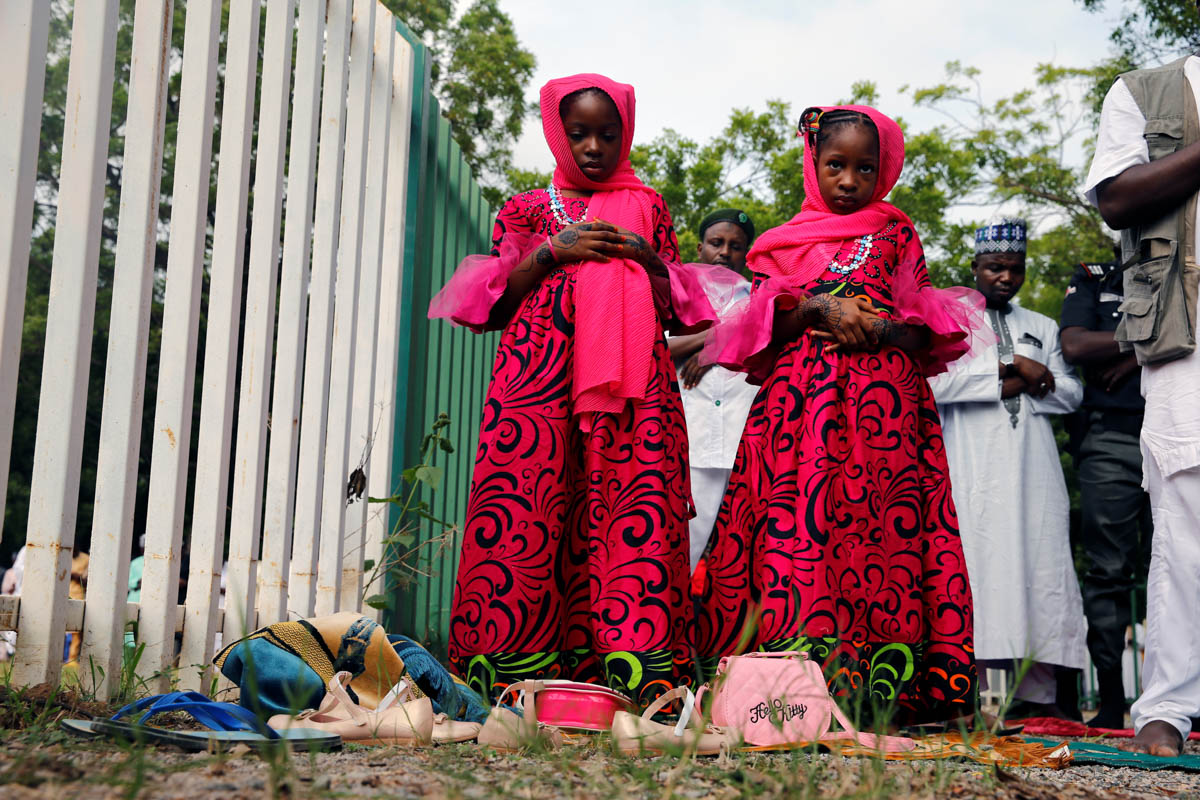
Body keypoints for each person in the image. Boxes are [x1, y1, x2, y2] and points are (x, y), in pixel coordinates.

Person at [696, 106, 983, 725]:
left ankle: (887, 695)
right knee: (798, 531)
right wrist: (820, 311)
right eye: (836, 166)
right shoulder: (775, 246)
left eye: (864, 168)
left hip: (885, 416)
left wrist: (876, 326)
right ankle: (783, 690)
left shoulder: (899, 234)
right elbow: (760, 335)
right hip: (799, 415)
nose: (849, 180)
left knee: (880, 537)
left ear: (883, 172)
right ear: (813, 164)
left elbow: (924, 335)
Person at [429, 74, 709, 707]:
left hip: (633, 388)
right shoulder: (526, 210)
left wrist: (647, 255)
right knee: (527, 506)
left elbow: (681, 309)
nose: (592, 147)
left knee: (629, 509)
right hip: (538, 383)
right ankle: (509, 678)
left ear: (626, 135)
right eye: (578, 133)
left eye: (607, 135)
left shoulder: (649, 207)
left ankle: (638, 680)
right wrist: (553, 252)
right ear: (557, 133)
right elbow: (496, 304)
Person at [1083, 17, 1200, 755]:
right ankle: (1169, 707)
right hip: (1186, 331)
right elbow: (1118, 200)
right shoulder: (1146, 93)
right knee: (1187, 516)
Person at [929, 219, 1086, 719]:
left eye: (1014, 269)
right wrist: (1011, 370)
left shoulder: (1043, 325)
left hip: (1033, 470)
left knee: (1037, 570)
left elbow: (1071, 394)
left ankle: (1033, 699)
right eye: (995, 267)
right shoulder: (950, 319)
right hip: (971, 466)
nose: (1005, 277)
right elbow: (934, 387)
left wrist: (1037, 376)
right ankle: (967, 694)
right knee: (978, 570)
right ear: (974, 267)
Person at [1060, 257, 1153, 730]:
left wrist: (1131, 354)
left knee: (1182, 568)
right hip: (1111, 436)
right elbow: (1075, 344)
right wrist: (1149, 341)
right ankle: (1113, 701)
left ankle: (1178, 698)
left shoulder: (1188, 271)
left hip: (1176, 426)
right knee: (1109, 571)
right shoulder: (1097, 277)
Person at [667, 209, 760, 570]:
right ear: (700, 246)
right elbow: (657, 348)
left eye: (736, 246)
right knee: (681, 547)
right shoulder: (679, 297)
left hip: (743, 439)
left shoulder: (759, 300)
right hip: (689, 436)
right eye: (716, 243)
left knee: (738, 557)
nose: (725, 252)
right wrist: (714, 337)